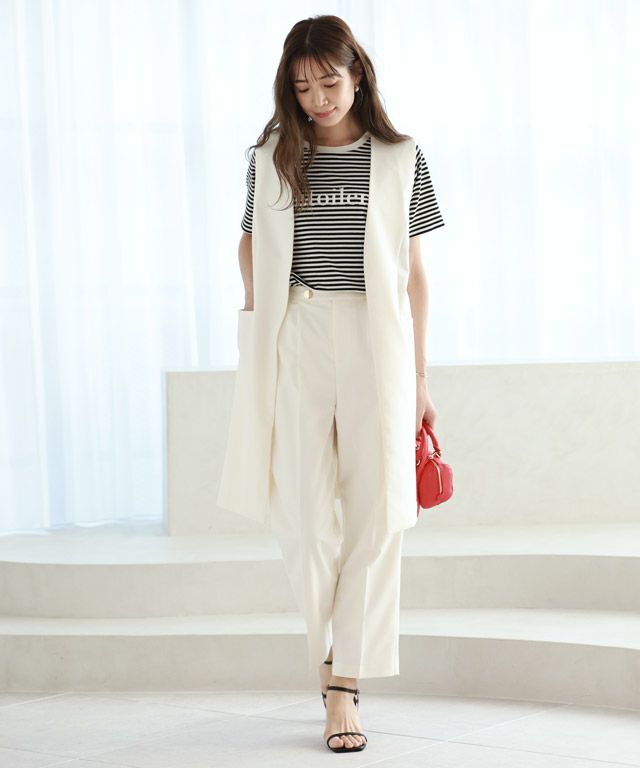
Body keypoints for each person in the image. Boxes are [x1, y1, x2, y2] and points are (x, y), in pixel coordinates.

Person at [222, 13, 445, 753]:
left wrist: (419, 376)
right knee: (303, 517)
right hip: (300, 329)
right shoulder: (272, 156)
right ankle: (328, 656)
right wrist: (258, 313)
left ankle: (343, 684)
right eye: (302, 86)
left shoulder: (401, 157)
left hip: (377, 337)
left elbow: (415, 275)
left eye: (329, 82)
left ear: (358, 77)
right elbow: (249, 241)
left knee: (380, 515)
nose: (317, 99)